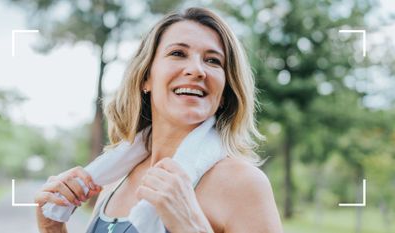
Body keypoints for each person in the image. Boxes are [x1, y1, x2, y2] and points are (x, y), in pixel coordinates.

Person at [35, 7, 283, 233]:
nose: (197, 70)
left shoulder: (243, 184)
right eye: (178, 53)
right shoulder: (114, 180)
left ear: (223, 92)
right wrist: (51, 227)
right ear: (146, 78)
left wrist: (191, 226)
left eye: (213, 60)